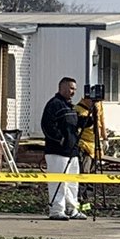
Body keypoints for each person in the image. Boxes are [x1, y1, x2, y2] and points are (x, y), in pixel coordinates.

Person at [41, 76, 87, 221]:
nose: (73, 92)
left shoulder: (70, 106)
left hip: (72, 152)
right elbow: (47, 125)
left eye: (75, 89)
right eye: (71, 88)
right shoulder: (54, 104)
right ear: (62, 88)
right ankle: (56, 210)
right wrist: (60, 140)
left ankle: (72, 209)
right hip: (57, 152)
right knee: (58, 182)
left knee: (73, 183)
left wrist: (89, 118)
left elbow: (75, 125)